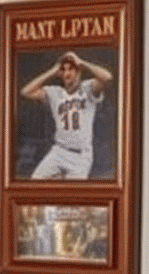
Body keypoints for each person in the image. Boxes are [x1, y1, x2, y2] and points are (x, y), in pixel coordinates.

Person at [21, 51, 112, 180]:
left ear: (78, 72)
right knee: (34, 184)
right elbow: (25, 92)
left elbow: (107, 77)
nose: (66, 73)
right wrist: (52, 71)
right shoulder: (55, 93)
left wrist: (83, 63)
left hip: (80, 156)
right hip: (59, 151)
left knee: (71, 197)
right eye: (63, 70)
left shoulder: (87, 88)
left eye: (71, 69)